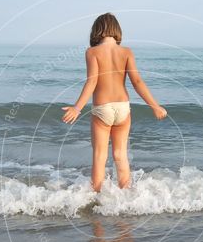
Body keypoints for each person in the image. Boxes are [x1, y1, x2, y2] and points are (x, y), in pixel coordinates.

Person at [61, 12, 167, 192]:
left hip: (102, 108)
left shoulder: (92, 52)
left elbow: (92, 81)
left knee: (99, 156)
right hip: (123, 108)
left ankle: (95, 198)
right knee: (120, 155)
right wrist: (154, 106)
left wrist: (77, 108)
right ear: (116, 30)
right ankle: (126, 196)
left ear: (97, 30)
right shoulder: (126, 52)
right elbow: (137, 82)